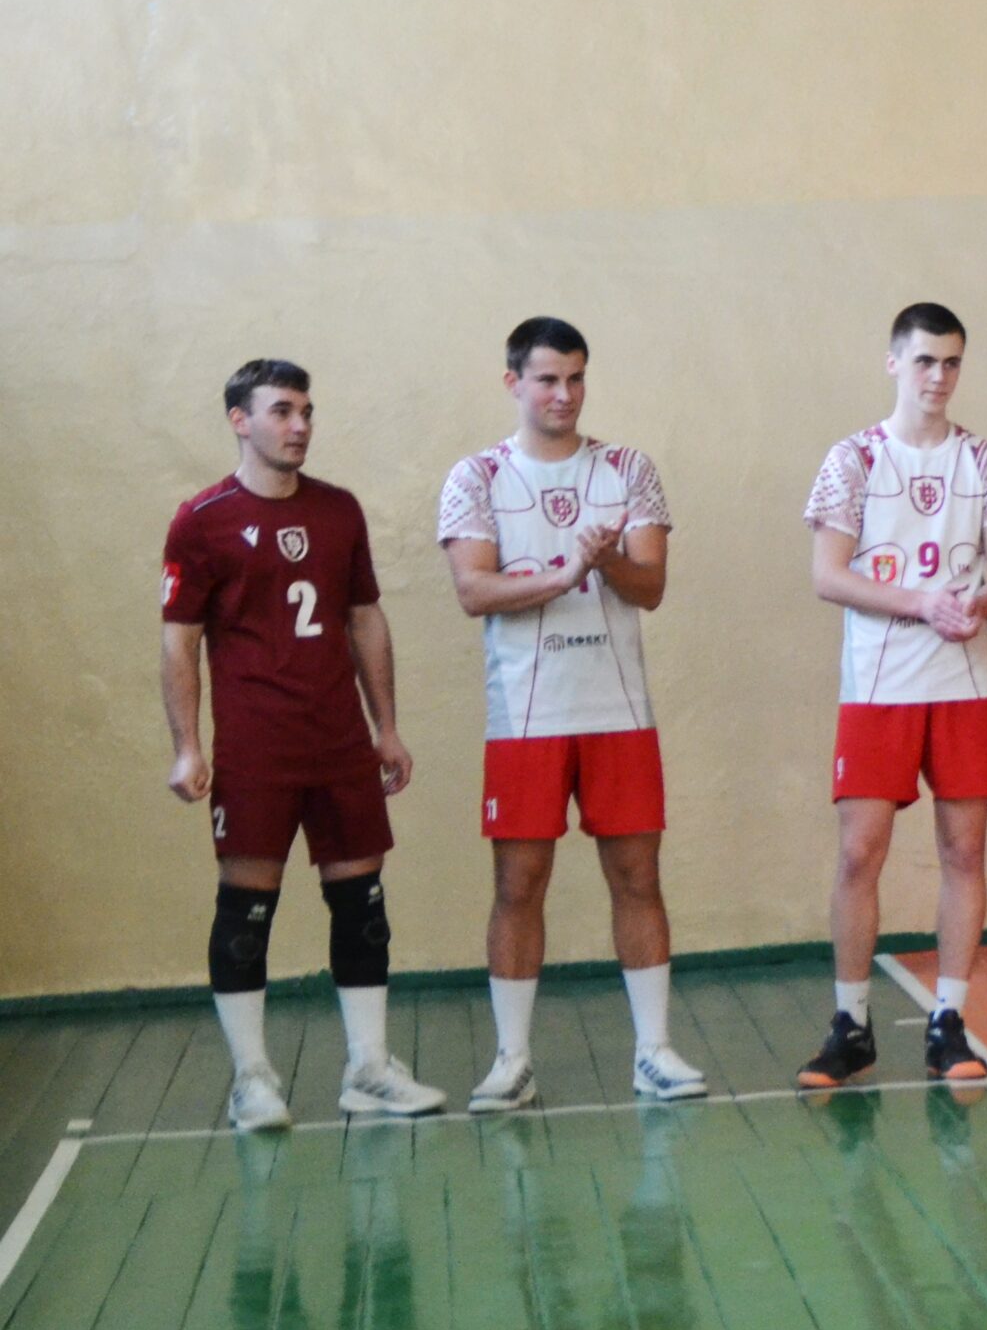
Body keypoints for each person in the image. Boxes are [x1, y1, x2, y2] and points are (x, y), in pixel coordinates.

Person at [161, 358, 446, 1129]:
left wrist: (386, 727)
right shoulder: (202, 519)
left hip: (339, 742)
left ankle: (369, 1069)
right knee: (245, 911)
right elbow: (179, 638)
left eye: (307, 411)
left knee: (362, 907)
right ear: (240, 420)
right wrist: (188, 746)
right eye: (282, 410)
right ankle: (253, 1079)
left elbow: (364, 618)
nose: (299, 425)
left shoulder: (338, 511)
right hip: (257, 747)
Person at [437, 316, 707, 1111]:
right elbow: (473, 591)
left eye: (576, 378)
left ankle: (653, 1052)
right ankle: (512, 1061)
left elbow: (651, 587)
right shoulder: (478, 476)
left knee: (638, 876)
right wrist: (563, 575)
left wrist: (607, 559)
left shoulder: (628, 469)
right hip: (526, 718)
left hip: (618, 713)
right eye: (548, 379)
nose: (564, 394)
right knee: (519, 884)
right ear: (514, 382)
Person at [796, 303, 987, 1088]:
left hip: (965, 686)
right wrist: (920, 603)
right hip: (879, 686)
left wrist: (975, 602)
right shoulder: (854, 459)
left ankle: (948, 1021)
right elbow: (828, 575)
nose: (939, 376)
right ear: (894, 362)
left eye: (952, 362)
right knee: (860, 853)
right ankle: (850, 1024)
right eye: (925, 360)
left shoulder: (985, 460)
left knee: (964, 852)